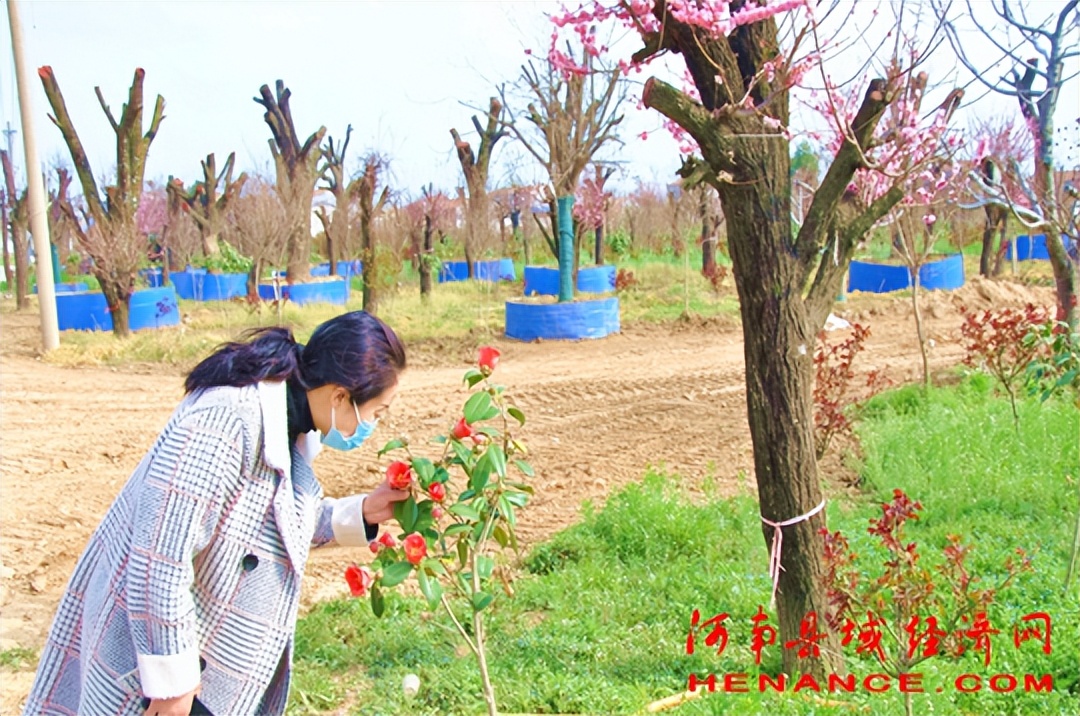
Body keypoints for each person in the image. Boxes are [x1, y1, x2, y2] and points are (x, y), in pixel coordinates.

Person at [23, 310, 409, 716]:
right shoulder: (226, 420)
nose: (371, 427)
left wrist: (366, 510)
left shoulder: (292, 420)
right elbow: (160, 559)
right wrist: (172, 687)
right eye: (375, 413)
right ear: (339, 396)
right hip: (150, 670)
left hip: (202, 667)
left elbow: (273, 524)